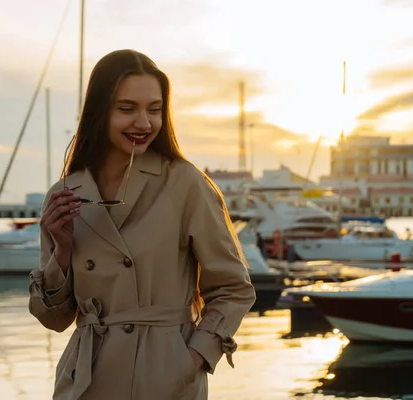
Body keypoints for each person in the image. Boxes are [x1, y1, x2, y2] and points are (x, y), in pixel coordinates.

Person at [28, 49, 256, 400]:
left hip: (165, 376)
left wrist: (192, 358)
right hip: (86, 380)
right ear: (98, 111)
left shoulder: (184, 183)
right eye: (127, 109)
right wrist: (62, 250)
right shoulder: (65, 193)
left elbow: (233, 288)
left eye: (155, 109)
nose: (144, 123)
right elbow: (54, 319)